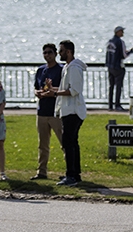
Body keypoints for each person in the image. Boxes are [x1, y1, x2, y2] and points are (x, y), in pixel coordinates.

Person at [52, 40, 87, 187]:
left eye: (61, 51)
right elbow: (66, 88)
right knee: (72, 142)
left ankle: (71, 175)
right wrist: (54, 90)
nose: (59, 53)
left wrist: (54, 93)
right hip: (68, 110)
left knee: (69, 143)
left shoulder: (74, 68)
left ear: (68, 52)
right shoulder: (67, 67)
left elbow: (74, 90)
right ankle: (75, 173)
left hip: (73, 111)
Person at [32, 43, 64, 180]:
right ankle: (42, 172)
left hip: (56, 112)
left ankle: (70, 171)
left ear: (56, 53)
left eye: (50, 52)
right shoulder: (41, 70)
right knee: (42, 145)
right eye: (44, 53)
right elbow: (36, 88)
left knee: (65, 143)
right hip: (42, 112)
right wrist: (38, 93)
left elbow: (63, 89)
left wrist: (51, 92)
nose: (47, 55)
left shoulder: (61, 69)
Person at [105, 26, 133, 111]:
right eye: (121, 31)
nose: (123, 33)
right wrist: (130, 52)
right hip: (118, 67)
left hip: (110, 67)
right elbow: (124, 55)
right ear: (117, 32)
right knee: (118, 86)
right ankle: (117, 105)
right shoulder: (120, 42)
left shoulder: (110, 42)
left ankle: (110, 105)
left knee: (111, 86)